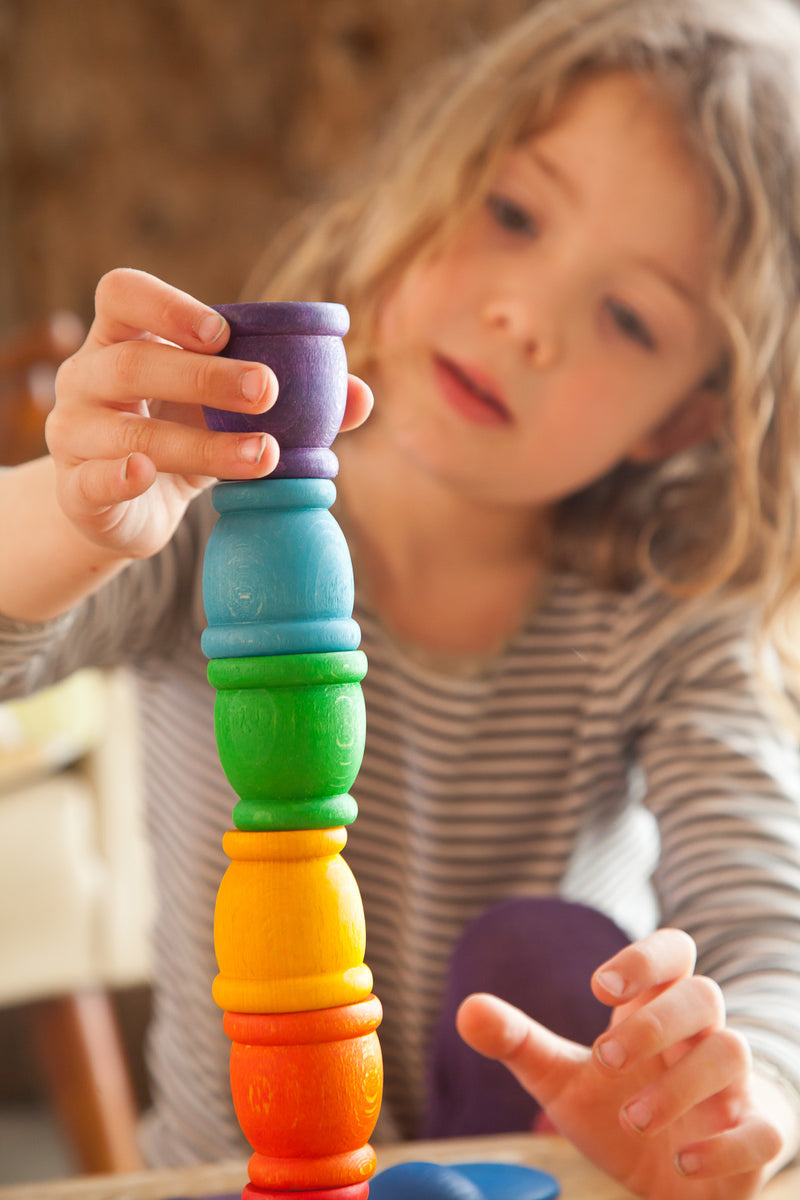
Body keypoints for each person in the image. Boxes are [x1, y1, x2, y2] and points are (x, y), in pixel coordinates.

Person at [2, 0, 800, 1194]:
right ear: (430, 185)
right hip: (240, 1176)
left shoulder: (665, 619)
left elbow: (766, 935)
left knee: (541, 956)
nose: (522, 317)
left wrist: (741, 1092)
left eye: (627, 317)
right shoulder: (208, 519)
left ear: (685, 415)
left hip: (538, 1164)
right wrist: (72, 514)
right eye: (514, 214)